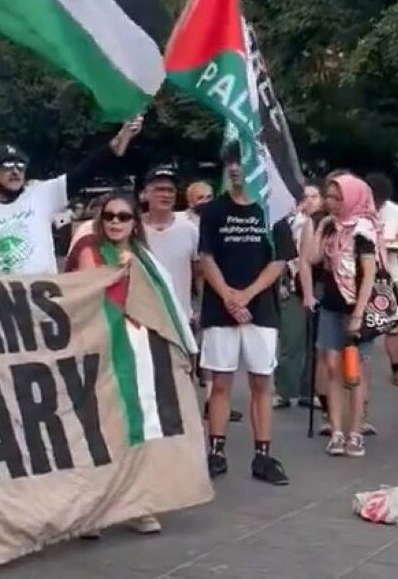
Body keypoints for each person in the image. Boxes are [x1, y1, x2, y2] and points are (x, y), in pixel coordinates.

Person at [69, 192, 195, 536]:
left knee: (139, 426)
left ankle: (137, 504)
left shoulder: (144, 257)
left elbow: (162, 306)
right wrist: (116, 271)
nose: (115, 222)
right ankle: (93, 511)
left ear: (134, 222)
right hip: (102, 348)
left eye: (123, 217)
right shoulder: (89, 250)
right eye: (109, 215)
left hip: (140, 351)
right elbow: (85, 294)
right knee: (100, 427)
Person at [199, 143, 294, 485]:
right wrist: (228, 297)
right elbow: (206, 257)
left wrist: (247, 296)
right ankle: (216, 451)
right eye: (230, 163)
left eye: (241, 162)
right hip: (220, 308)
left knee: (260, 383)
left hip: (261, 310)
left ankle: (263, 456)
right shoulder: (212, 212)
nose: (235, 168)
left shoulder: (273, 211)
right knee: (220, 382)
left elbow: (279, 260)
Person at [0, 118, 142, 276]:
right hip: (3, 309)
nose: (15, 171)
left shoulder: (42, 194)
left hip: (47, 303)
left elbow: (85, 172)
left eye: (20, 166)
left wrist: (119, 139)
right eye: (7, 166)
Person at [311, 174, 386, 458]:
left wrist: (358, 314)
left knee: (355, 372)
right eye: (328, 196)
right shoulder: (332, 227)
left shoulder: (363, 230)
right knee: (331, 367)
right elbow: (313, 258)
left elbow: (369, 275)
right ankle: (336, 430)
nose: (331, 202)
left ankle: (355, 432)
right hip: (330, 304)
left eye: (337, 198)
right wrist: (319, 229)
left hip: (355, 307)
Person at [274, 182, 323, 409]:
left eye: (315, 196)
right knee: (291, 341)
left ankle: (308, 391)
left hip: (320, 285)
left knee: (316, 343)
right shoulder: (286, 223)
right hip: (293, 287)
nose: (310, 200)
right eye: (306, 196)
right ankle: (283, 391)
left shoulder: (324, 224)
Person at [140, 166, 200, 326]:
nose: (165, 195)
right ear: (145, 194)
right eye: (159, 189)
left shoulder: (189, 229)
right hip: (142, 321)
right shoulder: (133, 230)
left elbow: (199, 274)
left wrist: (201, 310)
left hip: (180, 320)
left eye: (170, 190)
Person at [367, 173, 398, 388]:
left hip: (389, 275)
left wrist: (386, 244)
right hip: (361, 276)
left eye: (381, 201)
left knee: (393, 326)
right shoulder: (358, 209)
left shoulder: (395, 211)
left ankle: (397, 368)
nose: (377, 204)